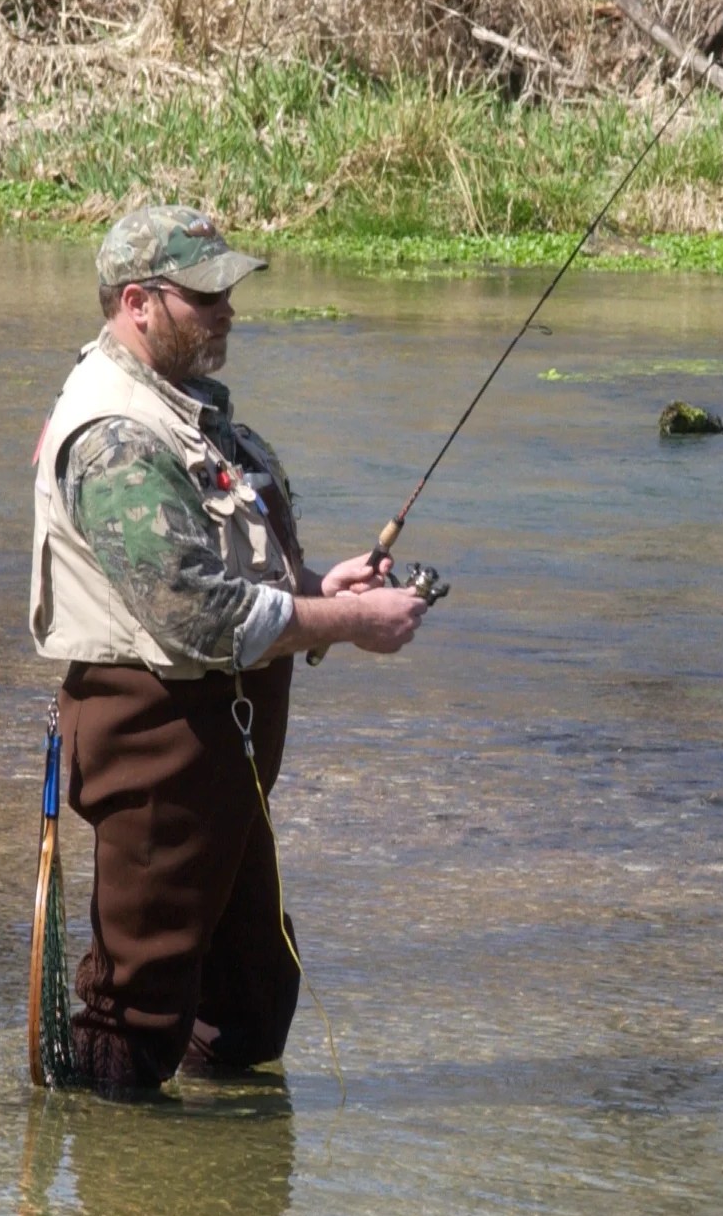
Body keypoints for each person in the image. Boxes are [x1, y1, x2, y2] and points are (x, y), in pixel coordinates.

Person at [29, 204, 431, 1097]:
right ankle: (127, 1207)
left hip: (225, 739)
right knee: (134, 1017)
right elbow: (194, 618)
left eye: (229, 293)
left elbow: (219, 580)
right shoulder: (117, 439)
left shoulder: (183, 414)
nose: (227, 312)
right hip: (157, 740)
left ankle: (217, 1211)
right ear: (139, 303)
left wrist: (320, 592)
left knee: (248, 1008)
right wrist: (351, 627)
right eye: (205, 296)